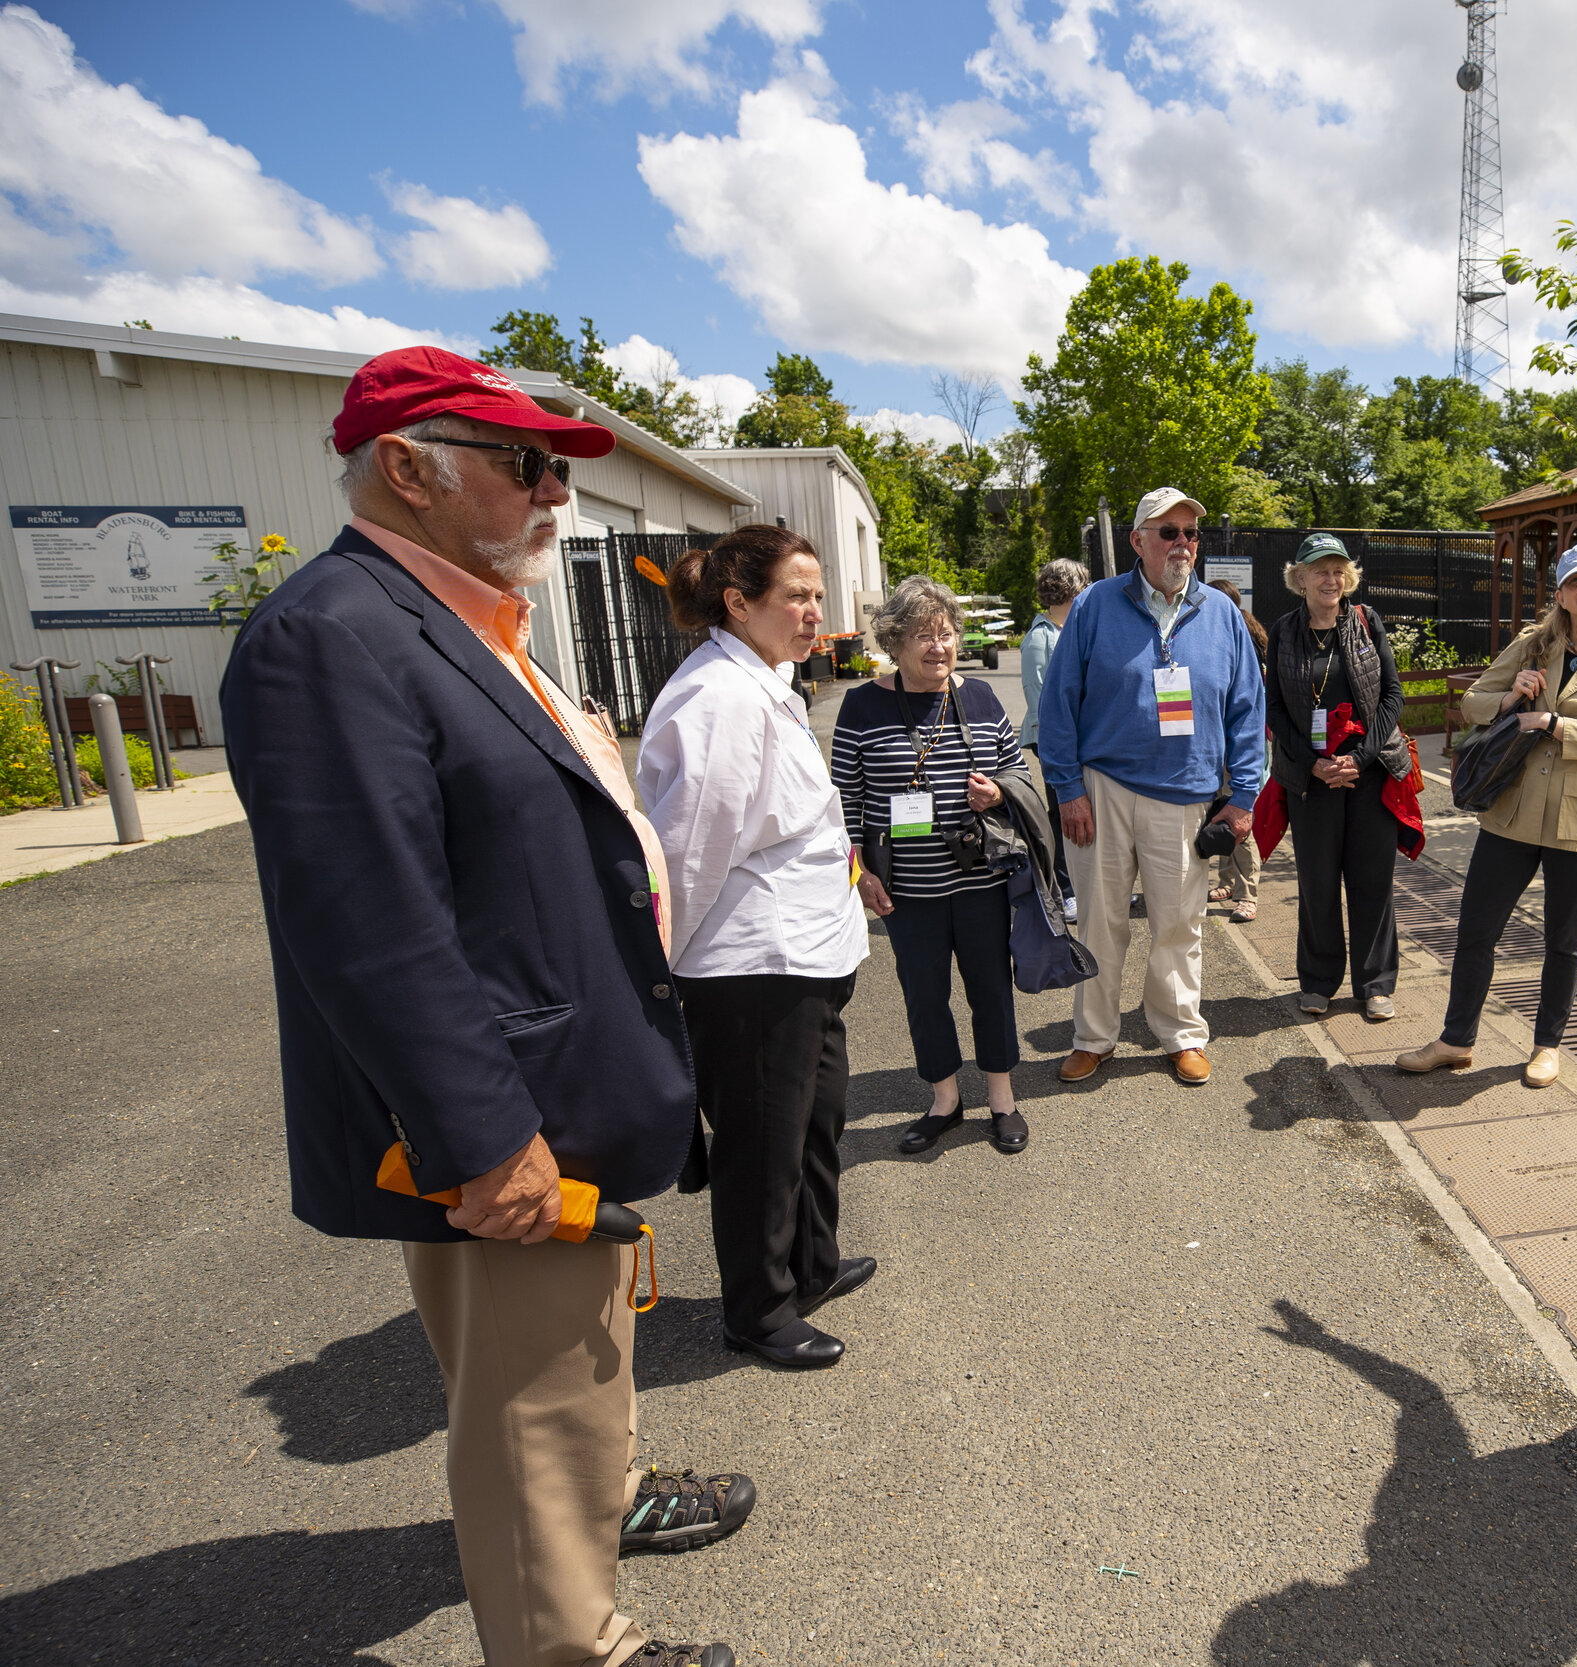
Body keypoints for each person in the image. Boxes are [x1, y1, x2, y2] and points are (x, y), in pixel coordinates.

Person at [221, 345, 746, 1667]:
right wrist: (481, 1135)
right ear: (406, 466)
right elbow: (371, 926)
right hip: (513, 1125)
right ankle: (575, 1646)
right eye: (522, 465)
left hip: (564, 1086)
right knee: (530, 1410)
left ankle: (608, 1502)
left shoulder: (462, 620)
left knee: (578, 1378)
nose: (552, 495)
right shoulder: (329, 638)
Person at [638, 524, 876, 1374]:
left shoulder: (765, 681)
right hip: (753, 969)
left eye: (818, 595)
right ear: (738, 603)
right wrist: (660, 976)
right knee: (761, 1146)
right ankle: (758, 1310)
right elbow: (689, 853)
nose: (815, 612)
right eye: (796, 596)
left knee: (814, 1125)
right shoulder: (721, 700)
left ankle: (808, 1264)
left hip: (807, 958)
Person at [1396, 542, 1577, 1087]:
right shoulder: (1533, 644)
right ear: (1559, 595)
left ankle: (1546, 1047)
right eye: (1576, 581)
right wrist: (1511, 698)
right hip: (1511, 813)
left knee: (1563, 941)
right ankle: (1456, 1040)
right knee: (1476, 931)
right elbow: (1472, 704)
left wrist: (1550, 724)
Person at [1036, 486, 1265, 1087]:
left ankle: (1180, 1033)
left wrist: (1243, 797)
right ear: (1137, 541)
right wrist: (1066, 788)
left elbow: (1248, 709)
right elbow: (1059, 703)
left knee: (1178, 923)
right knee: (1099, 921)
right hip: (1102, 788)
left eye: (1191, 533)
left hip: (1186, 792)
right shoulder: (1093, 606)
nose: (1183, 544)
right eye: (1169, 532)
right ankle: (1094, 1037)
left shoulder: (1220, 613)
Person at [831, 576, 1031, 1154]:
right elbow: (844, 799)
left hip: (980, 882)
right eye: (923, 635)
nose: (938, 646)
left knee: (990, 989)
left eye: (945, 634)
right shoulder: (862, 704)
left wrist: (996, 793)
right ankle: (945, 1099)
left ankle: (1002, 1098)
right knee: (923, 995)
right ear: (894, 643)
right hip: (905, 891)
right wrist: (858, 873)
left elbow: (1016, 773)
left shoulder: (981, 698)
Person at [1268, 534, 1407, 1018]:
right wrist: (1314, 764)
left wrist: (1361, 758)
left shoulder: (1368, 623)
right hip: (1312, 779)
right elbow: (1275, 708)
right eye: (1319, 570)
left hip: (1369, 774)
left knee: (1372, 883)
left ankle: (1375, 984)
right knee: (1318, 883)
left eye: (1338, 570)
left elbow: (1393, 698)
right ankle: (1320, 980)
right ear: (1299, 578)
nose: (1330, 579)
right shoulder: (1284, 632)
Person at [1020, 558, 1089, 917]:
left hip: (1083, 741)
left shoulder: (1073, 629)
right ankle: (1066, 891)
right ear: (1071, 589)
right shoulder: (1039, 639)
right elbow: (1040, 704)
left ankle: (1090, 888)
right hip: (1056, 743)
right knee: (1063, 811)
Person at [1206, 576, 1268, 923]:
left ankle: (1248, 894)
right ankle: (1226, 882)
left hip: (1237, 747)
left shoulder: (1237, 634)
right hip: (1215, 747)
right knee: (1220, 815)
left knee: (1239, 821)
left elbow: (1247, 701)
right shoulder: (1247, 629)